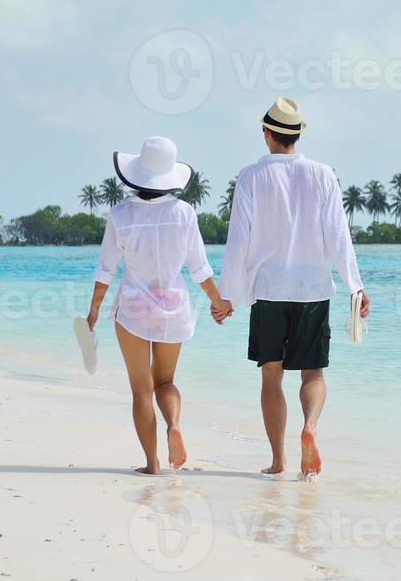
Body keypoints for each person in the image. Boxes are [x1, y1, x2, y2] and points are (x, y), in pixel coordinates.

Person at [212, 97, 369, 480]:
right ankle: (310, 427)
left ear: (266, 133)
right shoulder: (322, 173)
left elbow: (239, 240)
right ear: (297, 134)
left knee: (271, 377)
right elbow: (338, 234)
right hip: (313, 289)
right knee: (313, 374)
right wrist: (356, 285)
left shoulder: (251, 176)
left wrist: (226, 296)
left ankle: (279, 462)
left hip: (268, 290)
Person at [85, 136, 227, 475]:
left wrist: (93, 310)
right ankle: (174, 425)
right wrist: (218, 302)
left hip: (133, 309)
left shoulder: (120, 214)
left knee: (140, 389)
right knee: (165, 382)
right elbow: (199, 268)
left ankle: (152, 464)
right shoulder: (184, 213)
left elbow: (106, 268)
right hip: (173, 309)